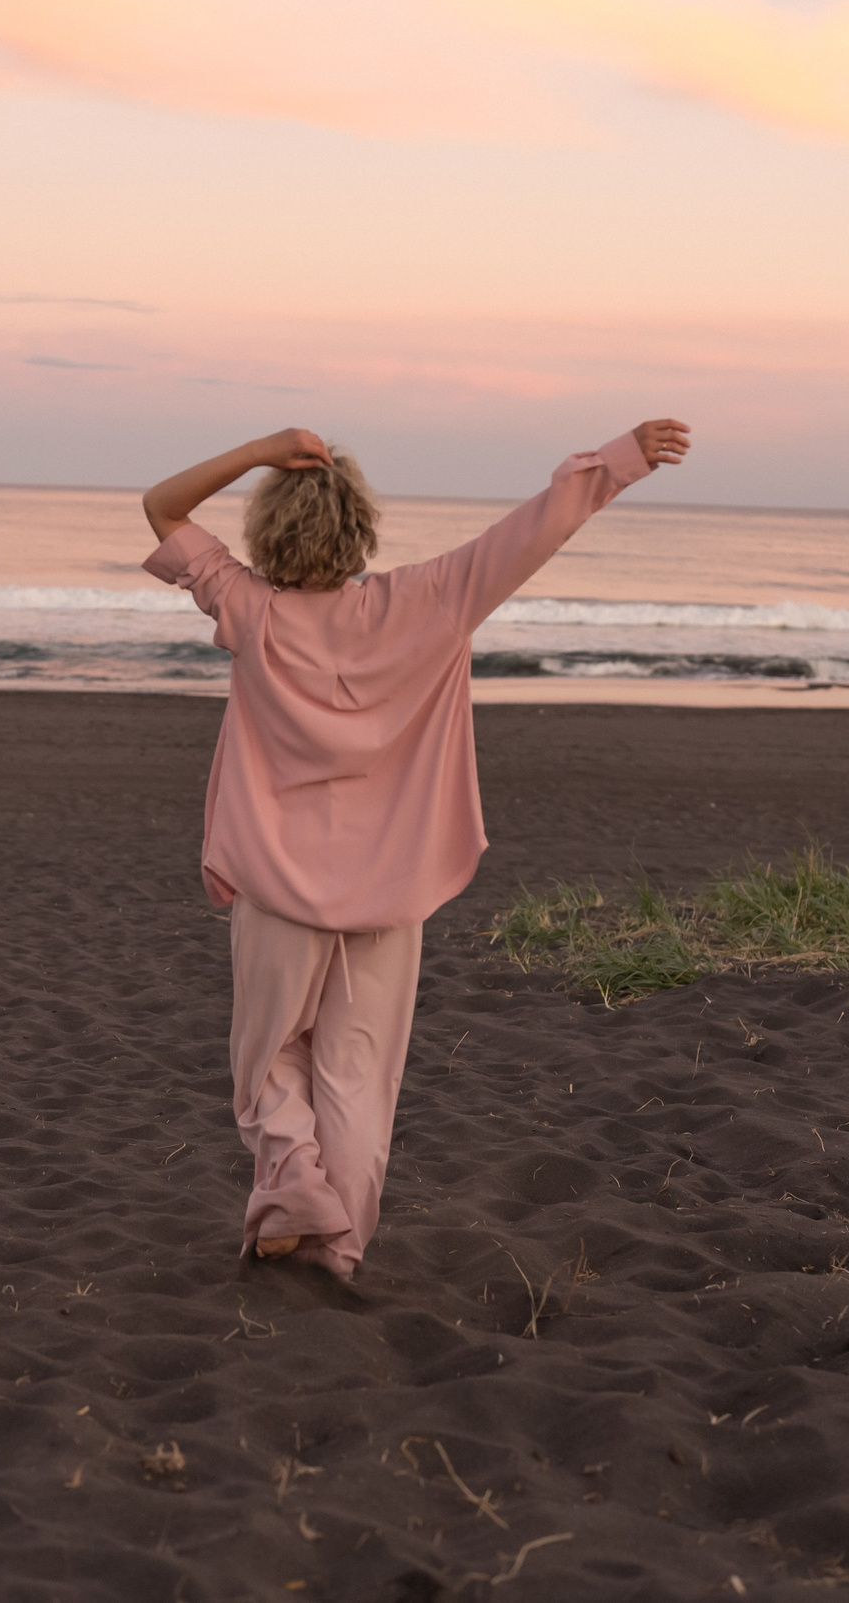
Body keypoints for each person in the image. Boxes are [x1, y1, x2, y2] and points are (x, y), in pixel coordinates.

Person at [140, 419, 693, 1279]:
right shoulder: (431, 601)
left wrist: (256, 452)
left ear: (269, 532)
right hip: (388, 896)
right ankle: (338, 1245)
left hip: (278, 892)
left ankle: (293, 1183)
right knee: (357, 1076)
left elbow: (160, 506)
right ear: (360, 528)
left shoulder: (249, 609)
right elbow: (537, 526)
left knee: (266, 1062)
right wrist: (623, 456)